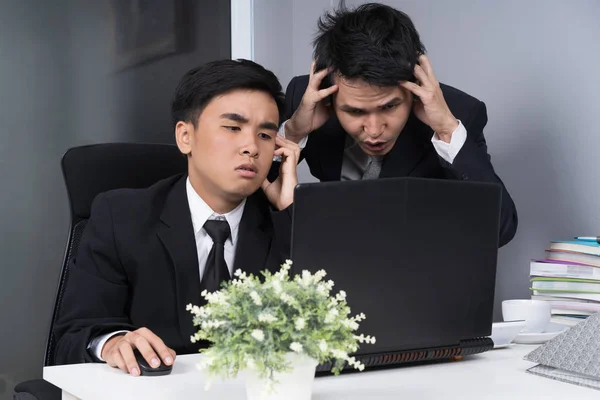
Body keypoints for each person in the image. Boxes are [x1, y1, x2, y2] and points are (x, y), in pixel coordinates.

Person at [53, 59, 301, 376]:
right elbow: (73, 337)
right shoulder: (121, 218)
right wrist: (112, 342)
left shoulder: (285, 222)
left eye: (266, 135)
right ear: (185, 136)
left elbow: (337, 335)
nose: (251, 147)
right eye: (233, 128)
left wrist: (293, 214)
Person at [277, 3, 517, 247]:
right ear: (329, 99)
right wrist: (294, 133)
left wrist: (447, 130)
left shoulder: (459, 112)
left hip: (419, 270)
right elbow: (251, 204)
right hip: (328, 264)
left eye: (389, 107)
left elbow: (500, 230)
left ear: (413, 91)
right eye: (355, 111)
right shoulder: (309, 100)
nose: (374, 130)